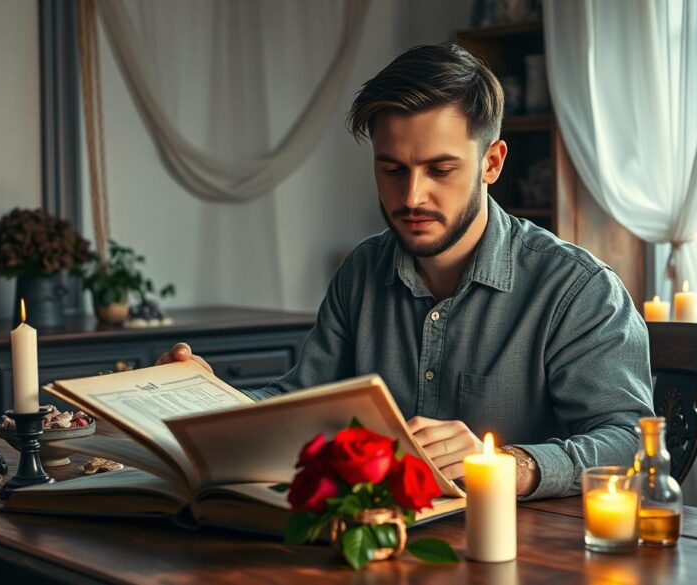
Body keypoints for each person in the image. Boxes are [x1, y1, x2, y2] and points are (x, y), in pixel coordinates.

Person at [156, 42, 654, 499]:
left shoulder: (577, 289)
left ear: (492, 163)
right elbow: (299, 401)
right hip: (381, 543)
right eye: (392, 170)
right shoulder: (362, 272)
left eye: (441, 170)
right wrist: (205, 397)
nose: (412, 197)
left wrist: (506, 463)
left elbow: (631, 443)